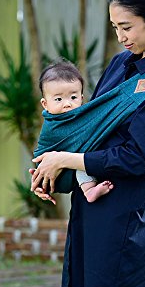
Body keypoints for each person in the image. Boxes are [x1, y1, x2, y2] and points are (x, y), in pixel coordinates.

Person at [31, 0, 145, 287]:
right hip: (89, 213)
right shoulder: (121, 64)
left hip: (127, 226)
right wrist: (49, 171)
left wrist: (63, 159)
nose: (121, 37)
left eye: (126, 27)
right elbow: (91, 131)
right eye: (115, 28)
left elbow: (136, 159)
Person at [34, 59, 114, 203]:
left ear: (81, 99)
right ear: (45, 104)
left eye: (73, 97)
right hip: (55, 177)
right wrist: (39, 181)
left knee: (84, 155)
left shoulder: (83, 116)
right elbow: (42, 153)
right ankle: (89, 190)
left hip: (73, 169)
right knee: (83, 153)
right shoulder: (52, 125)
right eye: (58, 99)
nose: (67, 104)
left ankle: (89, 191)